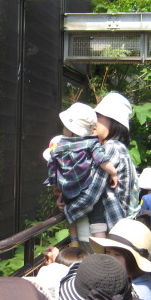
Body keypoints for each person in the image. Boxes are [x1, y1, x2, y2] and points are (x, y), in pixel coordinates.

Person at [61, 92, 139, 238]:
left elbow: (91, 194)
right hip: (114, 231)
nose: (94, 122)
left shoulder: (111, 148)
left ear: (113, 121)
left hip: (107, 232)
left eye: (98, 116)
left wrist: (68, 209)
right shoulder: (118, 148)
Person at [45, 102, 118, 245]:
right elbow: (101, 160)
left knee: (70, 215)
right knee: (97, 217)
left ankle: (74, 241)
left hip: (67, 190)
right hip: (87, 187)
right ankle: (101, 244)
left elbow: (52, 169)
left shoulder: (58, 147)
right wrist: (113, 173)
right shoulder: (91, 143)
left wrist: (55, 186)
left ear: (70, 128)